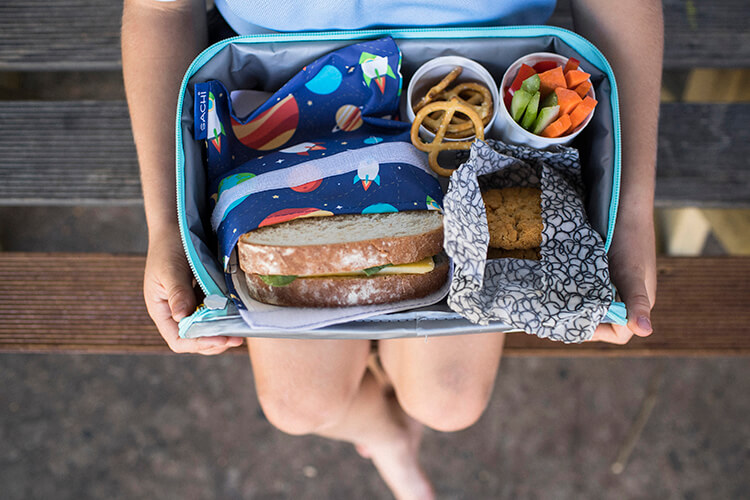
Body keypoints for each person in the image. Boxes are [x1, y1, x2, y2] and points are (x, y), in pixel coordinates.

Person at [122, 1, 662, 497]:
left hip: (494, 114)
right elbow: (160, 8)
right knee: (297, 405)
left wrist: (631, 216)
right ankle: (388, 442)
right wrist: (168, 226)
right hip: (280, 107)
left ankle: (392, 409)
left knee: (449, 403)